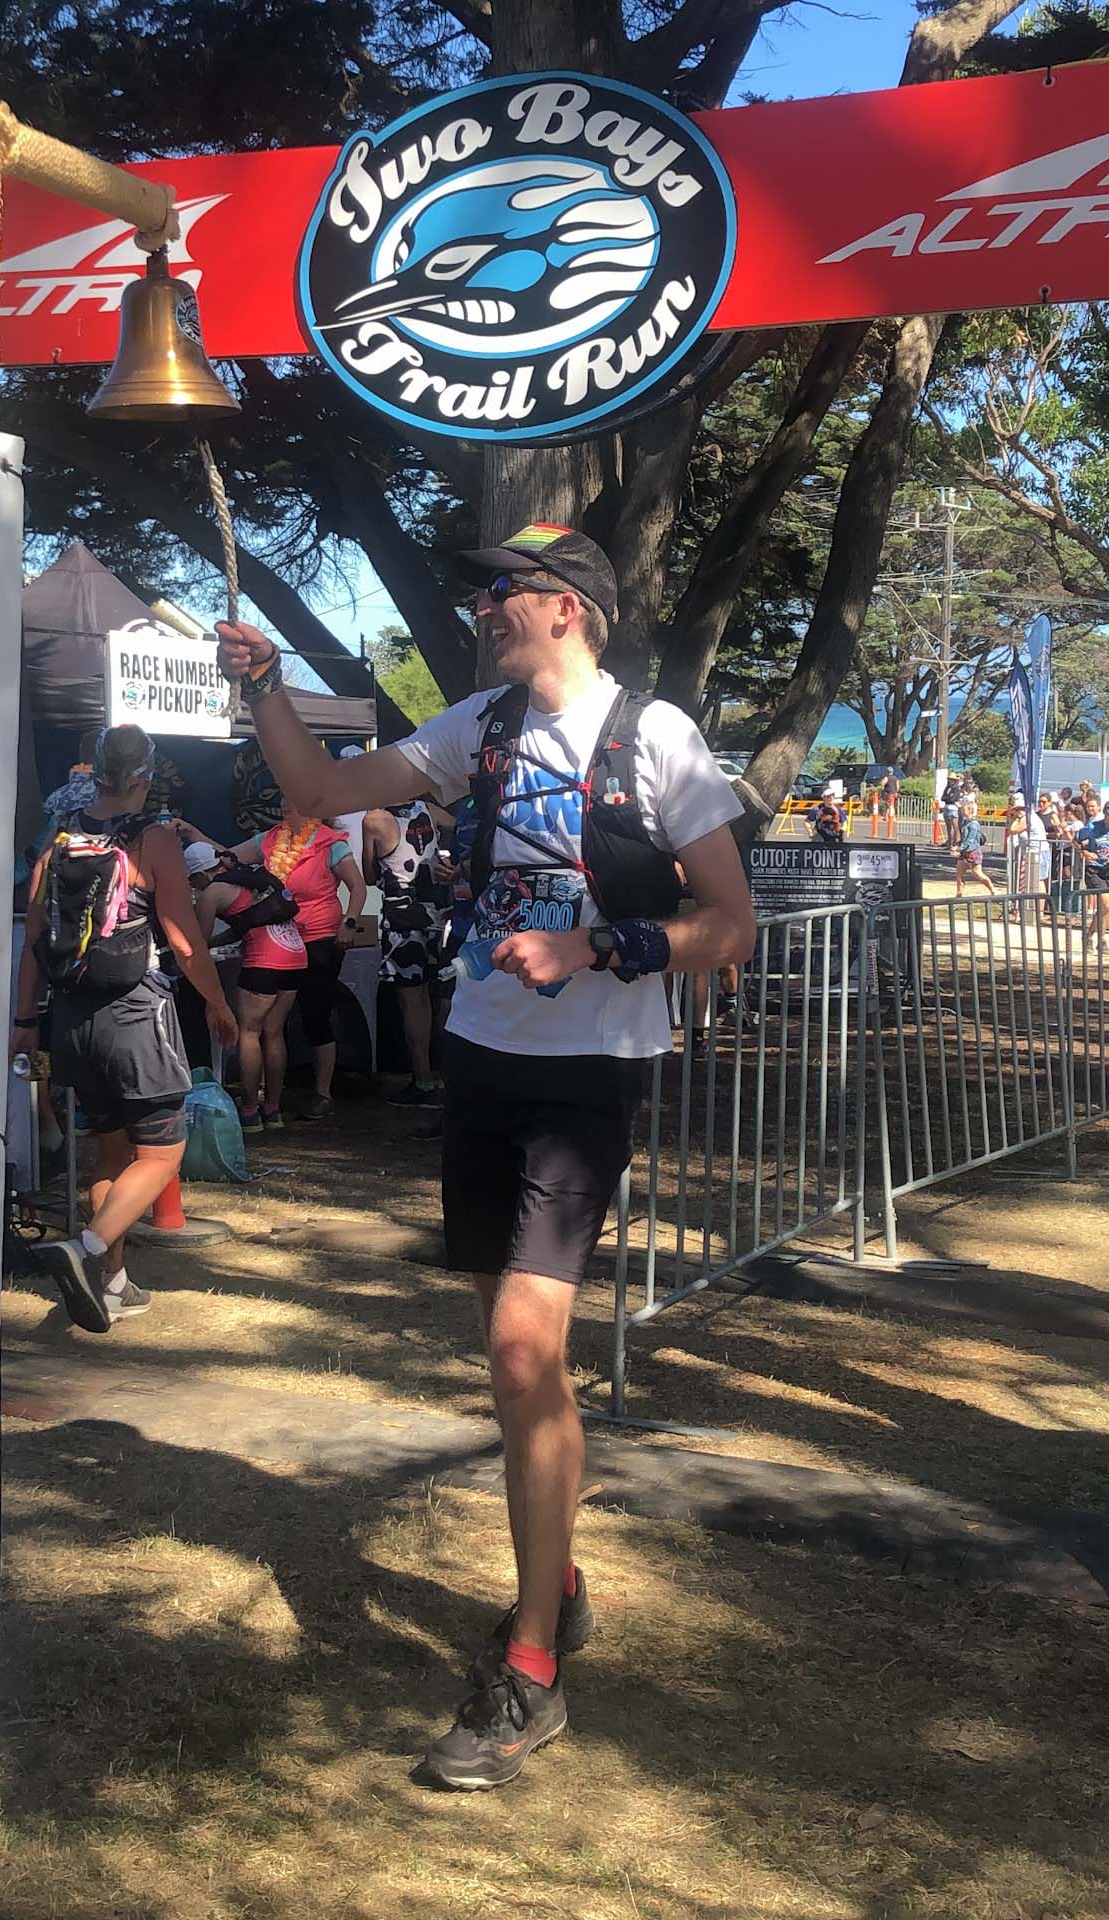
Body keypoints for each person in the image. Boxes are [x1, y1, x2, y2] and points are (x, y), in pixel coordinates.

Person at [214, 523, 755, 1790]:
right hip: (480, 1056)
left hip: (590, 1074)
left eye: (502, 592)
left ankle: (528, 1671)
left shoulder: (656, 737)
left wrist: (596, 949)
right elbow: (322, 797)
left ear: (567, 608)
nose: (484, 609)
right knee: (507, 1364)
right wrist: (260, 687)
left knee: (524, 1350)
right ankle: (553, 1578)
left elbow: (727, 925)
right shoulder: (479, 724)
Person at [12, 726, 239, 1332]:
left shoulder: (59, 842)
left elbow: (35, 939)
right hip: (135, 1014)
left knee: (111, 1149)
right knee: (164, 1152)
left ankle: (112, 1284)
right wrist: (217, 1004)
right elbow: (185, 939)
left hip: (70, 1018)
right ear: (143, 778)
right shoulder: (152, 839)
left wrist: (24, 1020)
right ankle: (83, 1251)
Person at [226, 803, 366, 1121]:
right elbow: (229, 855)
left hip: (319, 938)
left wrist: (350, 920)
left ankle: (322, 1093)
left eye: (292, 800)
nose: (284, 806)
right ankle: (269, 1095)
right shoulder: (269, 838)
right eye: (281, 801)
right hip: (279, 938)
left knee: (316, 1013)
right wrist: (195, 836)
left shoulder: (330, 841)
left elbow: (357, 886)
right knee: (272, 1021)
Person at [189, 841, 307, 1131]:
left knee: (249, 1033)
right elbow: (248, 922)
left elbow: (198, 945)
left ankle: (251, 1110)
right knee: (275, 1032)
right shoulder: (247, 875)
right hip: (294, 953)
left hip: (263, 960)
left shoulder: (210, 894)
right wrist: (222, 941)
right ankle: (274, 1109)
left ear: (200, 875)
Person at [364, 796, 453, 1108]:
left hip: (402, 915)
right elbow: (457, 825)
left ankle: (423, 1080)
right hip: (436, 910)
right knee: (434, 994)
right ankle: (443, 1075)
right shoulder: (427, 809)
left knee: (410, 999)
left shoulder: (375, 818)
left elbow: (370, 875)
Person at [1075, 798, 1109, 955]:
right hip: (1095, 869)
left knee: (1106, 909)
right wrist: (1085, 852)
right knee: (1106, 905)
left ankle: (1091, 936)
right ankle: (1101, 939)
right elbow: (1076, 840)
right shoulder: (1093, 826)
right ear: (1104, 813)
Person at [954, 801, 995, 897]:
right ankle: (959, 894)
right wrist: (959, 846)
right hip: (964, 852)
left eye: (964, 809)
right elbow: (964, 838)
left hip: (973, 852)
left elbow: (970, 840)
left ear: (970, 810)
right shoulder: (965, 822)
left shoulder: (974, 824)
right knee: (959, 874)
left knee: (977, 874)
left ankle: (992, 889)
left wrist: (959, 849)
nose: (962, 811)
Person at [940, 774, 962, 850]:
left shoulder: (956, 788)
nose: (951, 781)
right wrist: (948, 798)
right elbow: (942, 798)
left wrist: (948, 798)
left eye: (952, 779)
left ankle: (956, 844)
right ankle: (949, 843)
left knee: (956, 827)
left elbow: (954, 799)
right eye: (950, 779)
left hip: (953, 808)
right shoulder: (947, 788)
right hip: (946, 807)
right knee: (948, 828)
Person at [881, 767, 899, 840]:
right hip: (893, 793)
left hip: (888, 793)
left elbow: (883, 783)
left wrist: (882, 787)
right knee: (891, 805)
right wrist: (896, 792)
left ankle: (892, 817)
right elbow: (897, 786)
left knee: (889, 805)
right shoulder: (895, 778)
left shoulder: (887, 778)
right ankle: (887, 816)